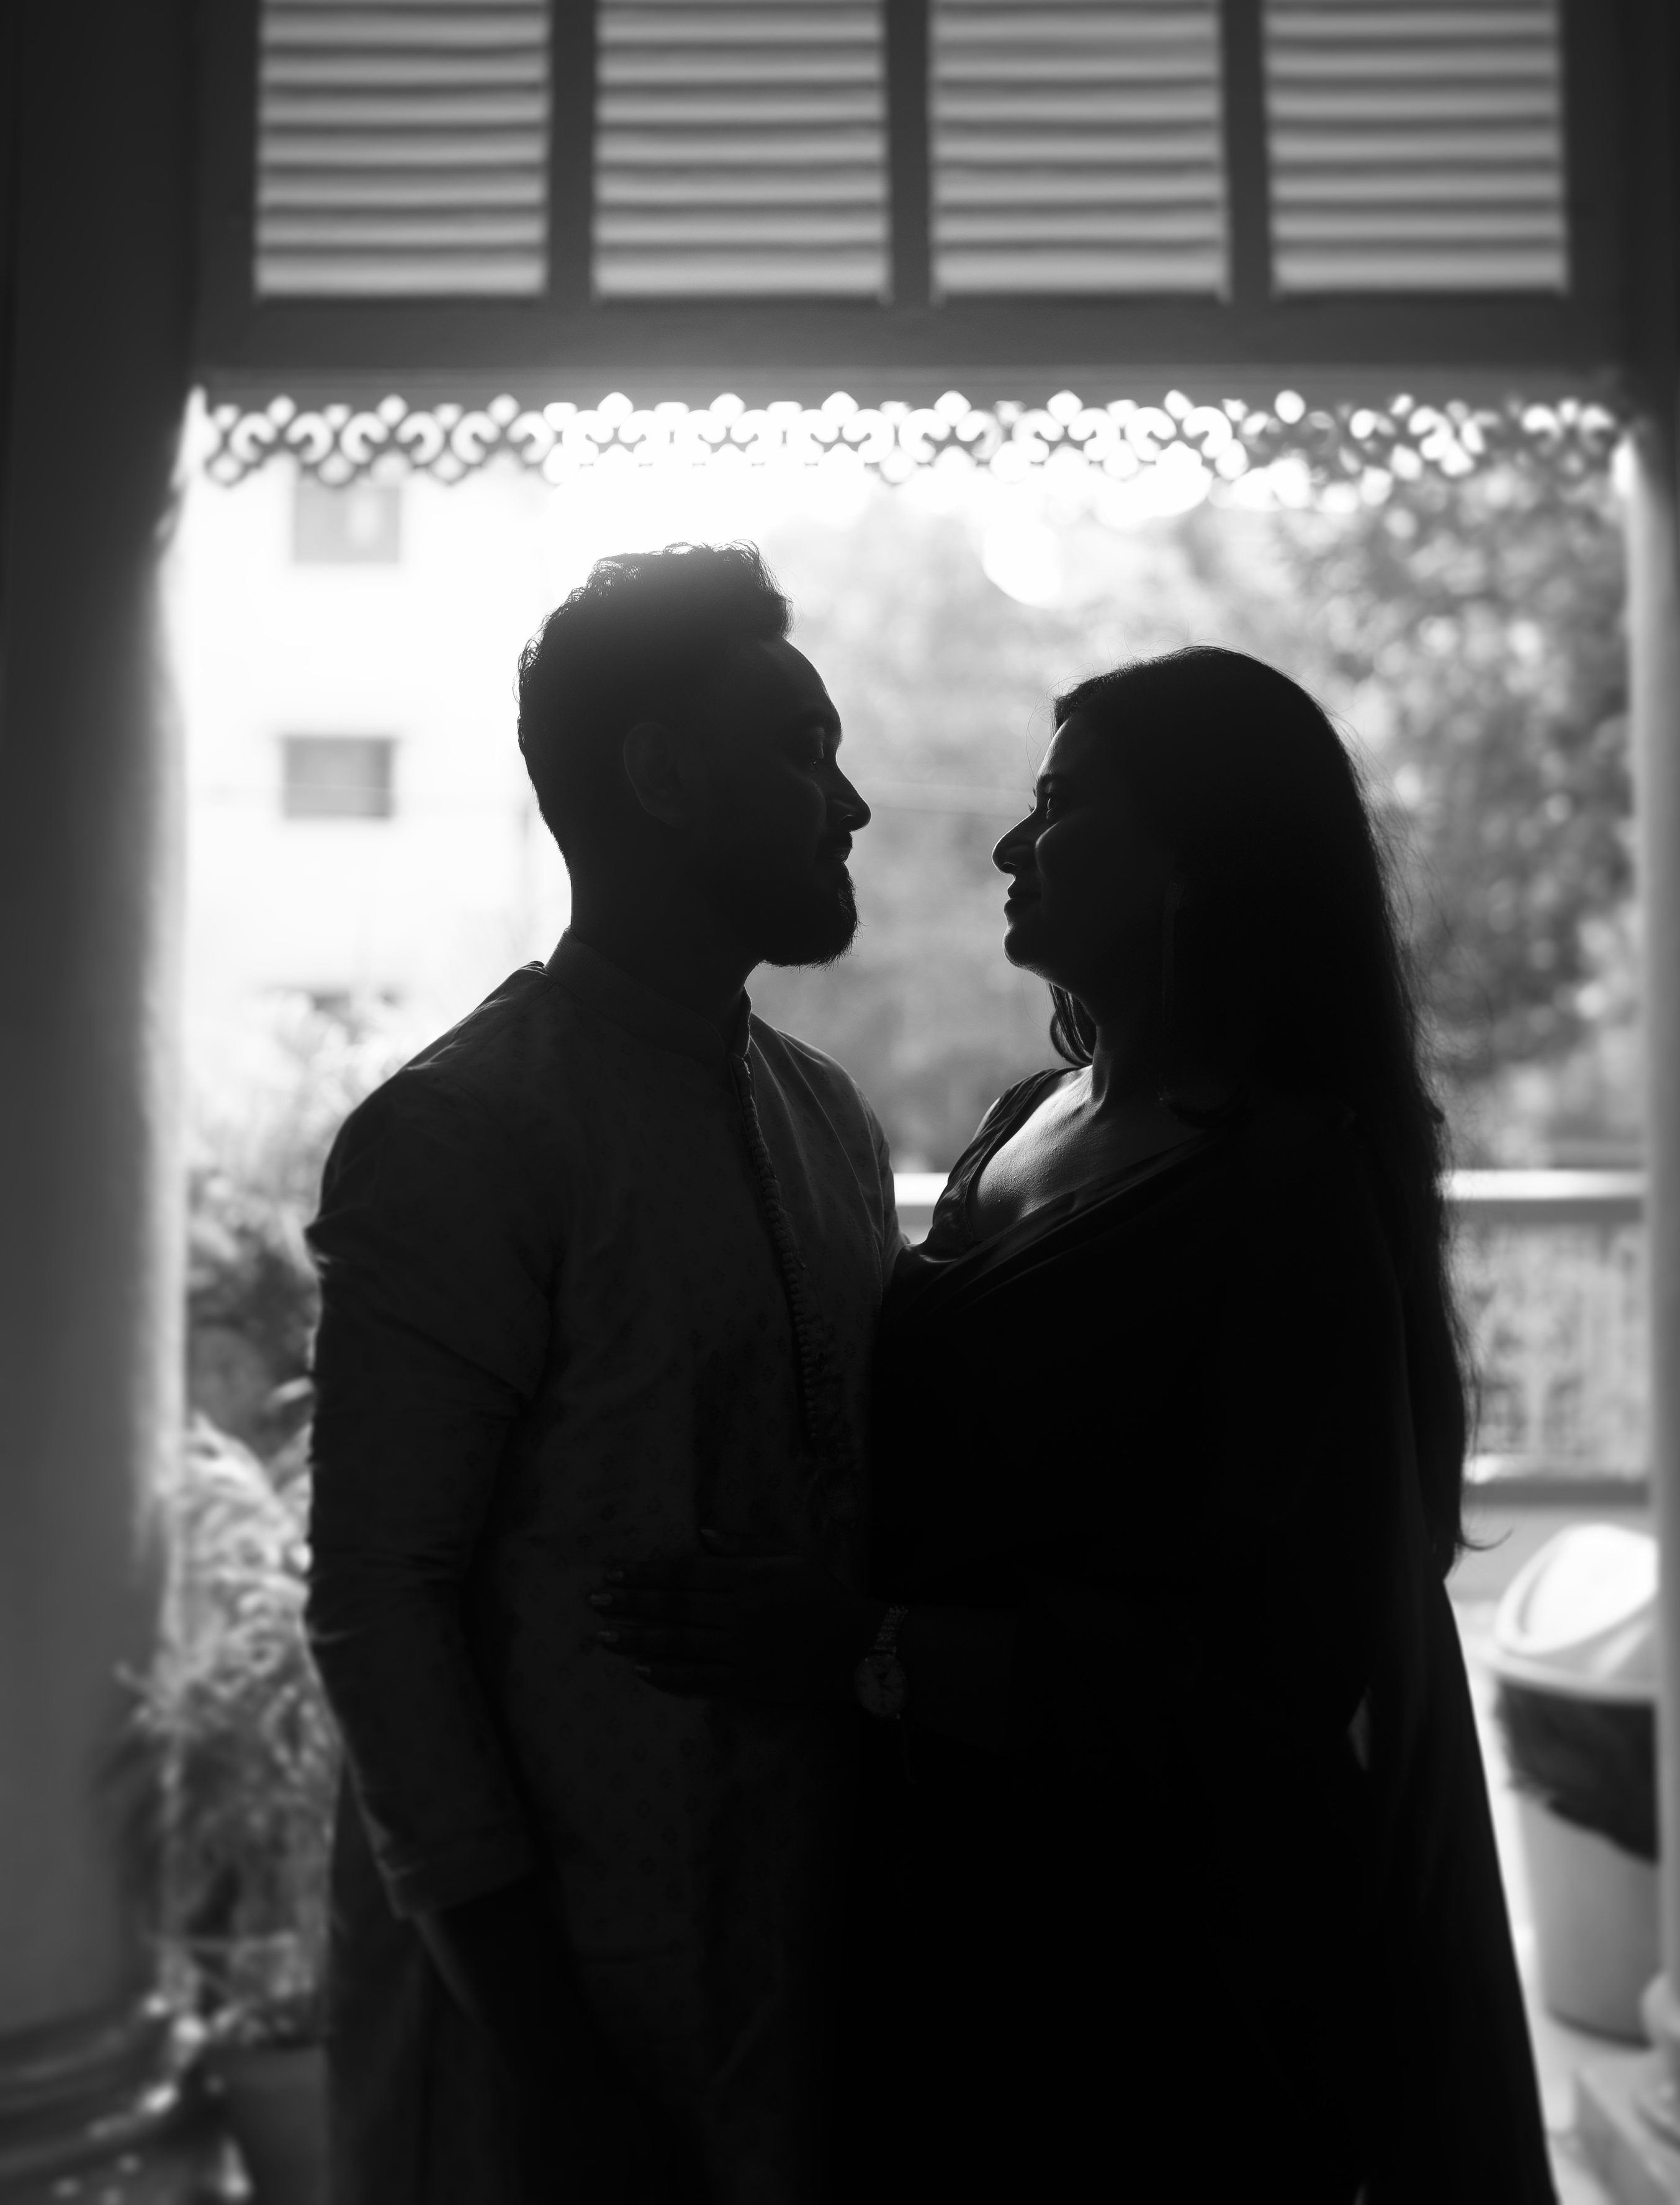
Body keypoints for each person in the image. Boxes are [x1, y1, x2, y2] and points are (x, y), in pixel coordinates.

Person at [596, 646, 1556, 2203]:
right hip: (957, 1883)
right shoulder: (1026, 1119)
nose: (1008, 845)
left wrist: (870, 1647)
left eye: (1063, 810)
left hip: (1153, 1953)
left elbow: (1273, 1675)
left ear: (1196, 863)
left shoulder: (1282, 1195)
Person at [303, 543, 904, 2205]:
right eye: (799, 749)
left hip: (793, 1978)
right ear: (658, 773)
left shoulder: (825, 1119)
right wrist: (550, 2062)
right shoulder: (463, 1134)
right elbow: (377, 1600)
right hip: (545, 2043)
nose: (843, 802)